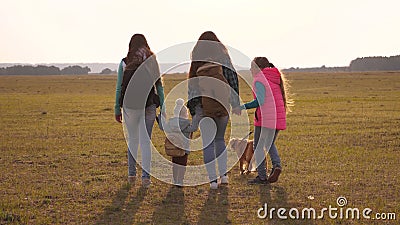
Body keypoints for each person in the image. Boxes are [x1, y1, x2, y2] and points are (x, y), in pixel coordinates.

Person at [187, 31, 241, 189]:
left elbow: (192, 87)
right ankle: (224, 176)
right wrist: (235, 103)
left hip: (203, 108)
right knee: (219, 140)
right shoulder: (223, 58)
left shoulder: (197, 60)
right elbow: (232, 80)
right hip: (222, 106)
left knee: (208, 143)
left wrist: (195, 109)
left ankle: (212, 181)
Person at [114, 34, 164, 188]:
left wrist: (117, 107)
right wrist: (162, 106)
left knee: (133, 140)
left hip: (129, 106)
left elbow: (119, 87)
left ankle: (131, 174)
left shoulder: (124, 62)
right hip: (148, 105)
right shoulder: (151, 60)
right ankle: (146, 178)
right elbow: (159, 86)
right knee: (145, 142)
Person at [241, 57, 291, 184]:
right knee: (269, 144)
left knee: (257, 146)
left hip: (265, 119)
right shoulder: (274, 77)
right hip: (277, 117)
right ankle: (277, 165)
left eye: (252, 67)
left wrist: (243, 106)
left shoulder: (259, 80)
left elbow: (260, 101)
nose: (250, 70)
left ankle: (262, 176)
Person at [158, 98, 199, 187]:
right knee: (182, 165)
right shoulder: (187, 126)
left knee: (175, 164)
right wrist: (196, 116)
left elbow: (162, 127)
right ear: (185, 114)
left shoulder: (171, 124)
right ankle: (180, 180)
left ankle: (175, 179)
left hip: (173, 148)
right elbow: (194, 128)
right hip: (184, 149)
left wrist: (161, 116)